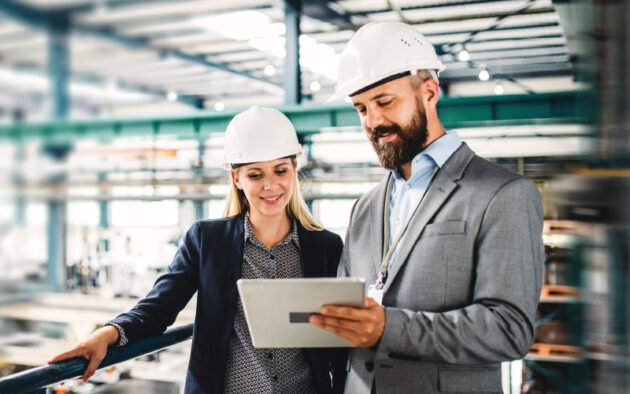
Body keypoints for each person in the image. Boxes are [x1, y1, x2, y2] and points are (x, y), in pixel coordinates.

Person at [308, 21, 544, 393]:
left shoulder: (503, 194)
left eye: (385, 102)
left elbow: (509, 330)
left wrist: (390, 327)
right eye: (361, 109)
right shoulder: (365, 207)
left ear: (429, 92)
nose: (374, 122)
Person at [49, 106, 347, 394]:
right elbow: (159, 307)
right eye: (255, 175)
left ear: (294, 170)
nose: (271, 185)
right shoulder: (207, 241)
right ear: (236, 178)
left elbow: (339, 332)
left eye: (280, 170)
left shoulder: (326, 247)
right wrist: (107, 333)